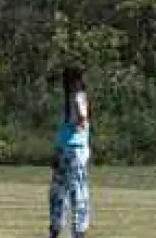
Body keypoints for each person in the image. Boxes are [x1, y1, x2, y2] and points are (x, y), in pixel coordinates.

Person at [49, 66, 91, 238]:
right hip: (65, 147)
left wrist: (78, 122)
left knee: (75, 191)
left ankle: (77, 231)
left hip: (75, 149)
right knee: (58, 191)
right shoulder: (72, 96)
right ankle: (56, 227)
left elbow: (82, 117)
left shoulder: (78, 95)